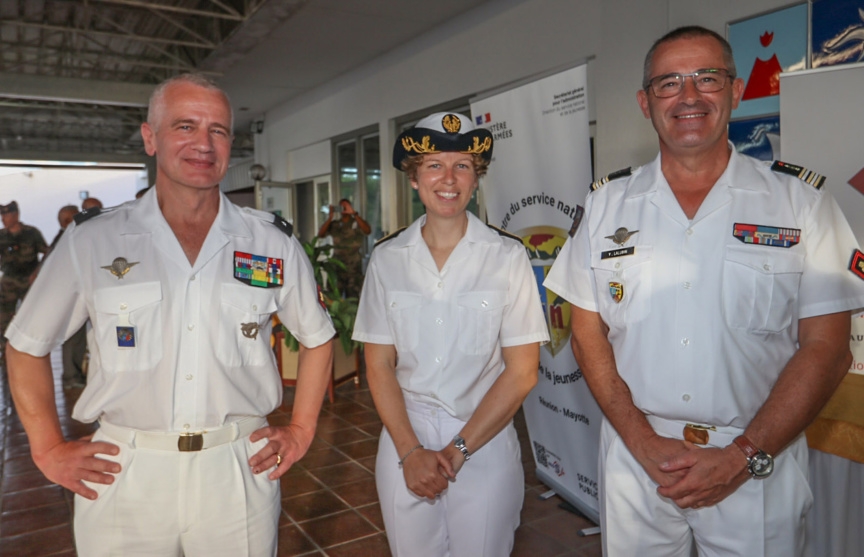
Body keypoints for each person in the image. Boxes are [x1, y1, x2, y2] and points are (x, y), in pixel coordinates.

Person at [544, 26, 864, 557]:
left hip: (758, 459)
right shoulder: (607, 205)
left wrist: (742, 455)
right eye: (669, 83)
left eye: (706, 78)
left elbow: (828, 347)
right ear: (646, 103)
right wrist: (643, 442)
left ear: (736, 91)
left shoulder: (800, 204)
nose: (688, 96)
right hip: (637, 456)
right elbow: (587, 334)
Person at [6, 73, 335, 556]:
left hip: (237, 470)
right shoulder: (94, 240)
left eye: (218, 130)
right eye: (185, 126)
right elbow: (25, 345)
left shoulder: (270, 242)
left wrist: (303, 429)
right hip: (125, 472)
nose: (204, 143)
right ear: (150, 137)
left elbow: (317, 336)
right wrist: (48, 449)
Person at [352, 112, 549, 556]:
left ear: (476, 180)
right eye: (434, 165)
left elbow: (522, 374)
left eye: (462, 165)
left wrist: (457, 450)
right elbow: (378, 363)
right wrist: (410, 452)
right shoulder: (387, 259)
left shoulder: (507, 256)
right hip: (407, 433)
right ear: (415, 179)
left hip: (483, 435)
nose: (449, 178)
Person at [0, 201, 48, 365]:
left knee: (31, 316)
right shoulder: (1, 236)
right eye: (2, 216)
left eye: (6, 215)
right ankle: (5, 351)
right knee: (4, 317)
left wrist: (37, 272)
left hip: (29, 281)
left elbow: (47, 253)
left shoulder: (31, 233)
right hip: (8, 282)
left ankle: (32, 350)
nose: (3, 219)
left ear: (16, 215)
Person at [51, 205, 88, 389]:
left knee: (78, 339)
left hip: (76, 294)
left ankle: (74, 375)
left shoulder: (70, 236)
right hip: (71, 296)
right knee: (73, 338)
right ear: (68, 221)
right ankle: (71, 377)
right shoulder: (67, 238)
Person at [317, 198, 371, 298]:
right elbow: (320, 234)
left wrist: (354, 214)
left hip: (353, 268)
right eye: (341, 207)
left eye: (345, 207)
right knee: (333, 298)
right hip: (337, 267)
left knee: (353, 298)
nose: (343, 209)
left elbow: (367, 231)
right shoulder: (335, 224)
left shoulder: (356, 223)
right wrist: (330, 217)